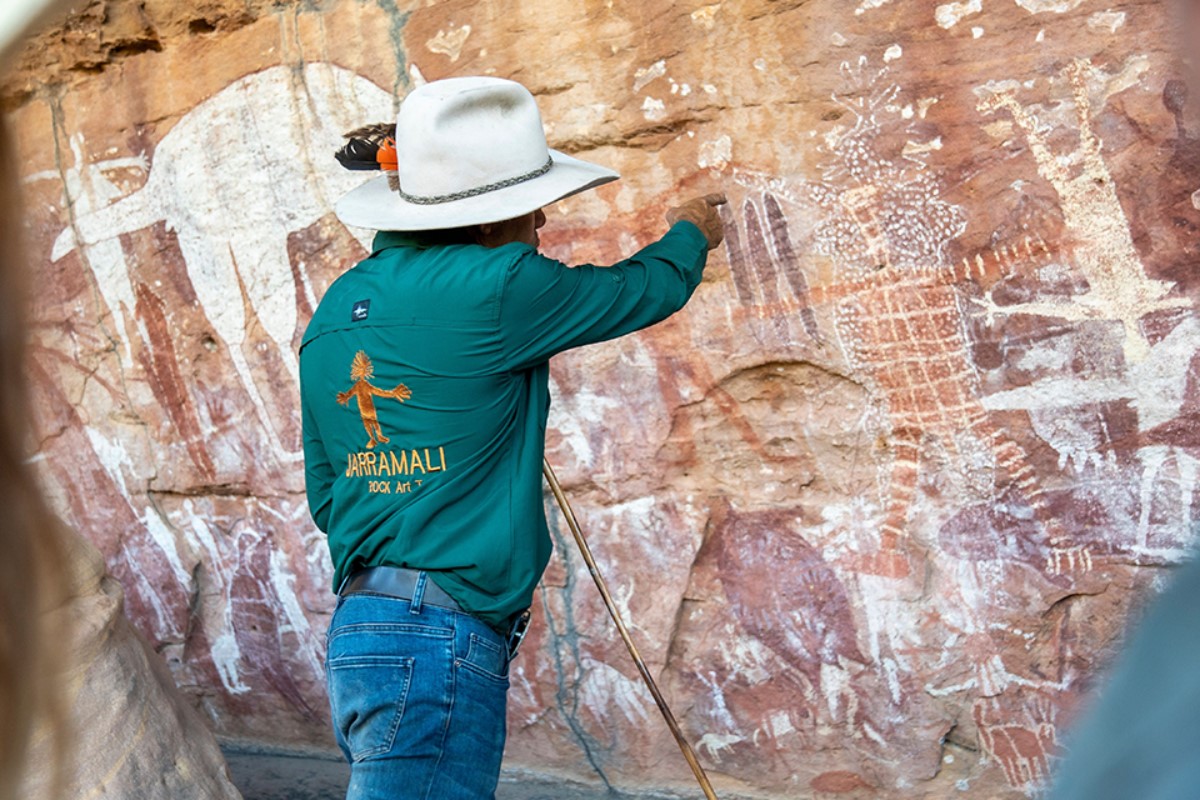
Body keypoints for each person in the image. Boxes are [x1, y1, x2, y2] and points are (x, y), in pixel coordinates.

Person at [301, 76, 725, 799]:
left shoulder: (338, 305)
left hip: (363, 629)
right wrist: (692, 232)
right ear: (491, 217)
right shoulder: (502, 284)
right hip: (437, 634)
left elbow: (325, 489)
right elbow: (644, 289)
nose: (541, 229)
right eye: (532, 211)